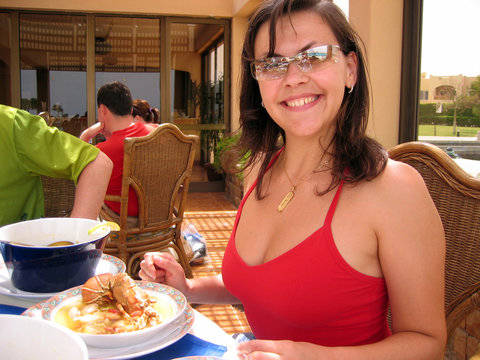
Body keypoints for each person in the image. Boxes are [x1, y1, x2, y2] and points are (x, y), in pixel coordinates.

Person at [139, 0, 447, 358]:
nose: (293, 77)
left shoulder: (394, 190)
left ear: (350, 69)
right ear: (258, 82)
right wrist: (190, 288)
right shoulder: (260, 168)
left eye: (313, 55)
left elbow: (428, 343)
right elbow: (266, 286)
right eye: (272, 64)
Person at [0, 104, 113, 227]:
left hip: (115, 213)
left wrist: (76, 240)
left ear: (103, 111)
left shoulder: (11, 125)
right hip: (126, 214)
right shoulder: (127, 139)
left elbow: (96, 162)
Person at [80, 81, 153, 219]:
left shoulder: (102, 152)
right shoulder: (156, 132)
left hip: (124, 220)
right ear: (131, 110)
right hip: (157, 215)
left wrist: (86, 135)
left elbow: (79, 172)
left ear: (103, 110)